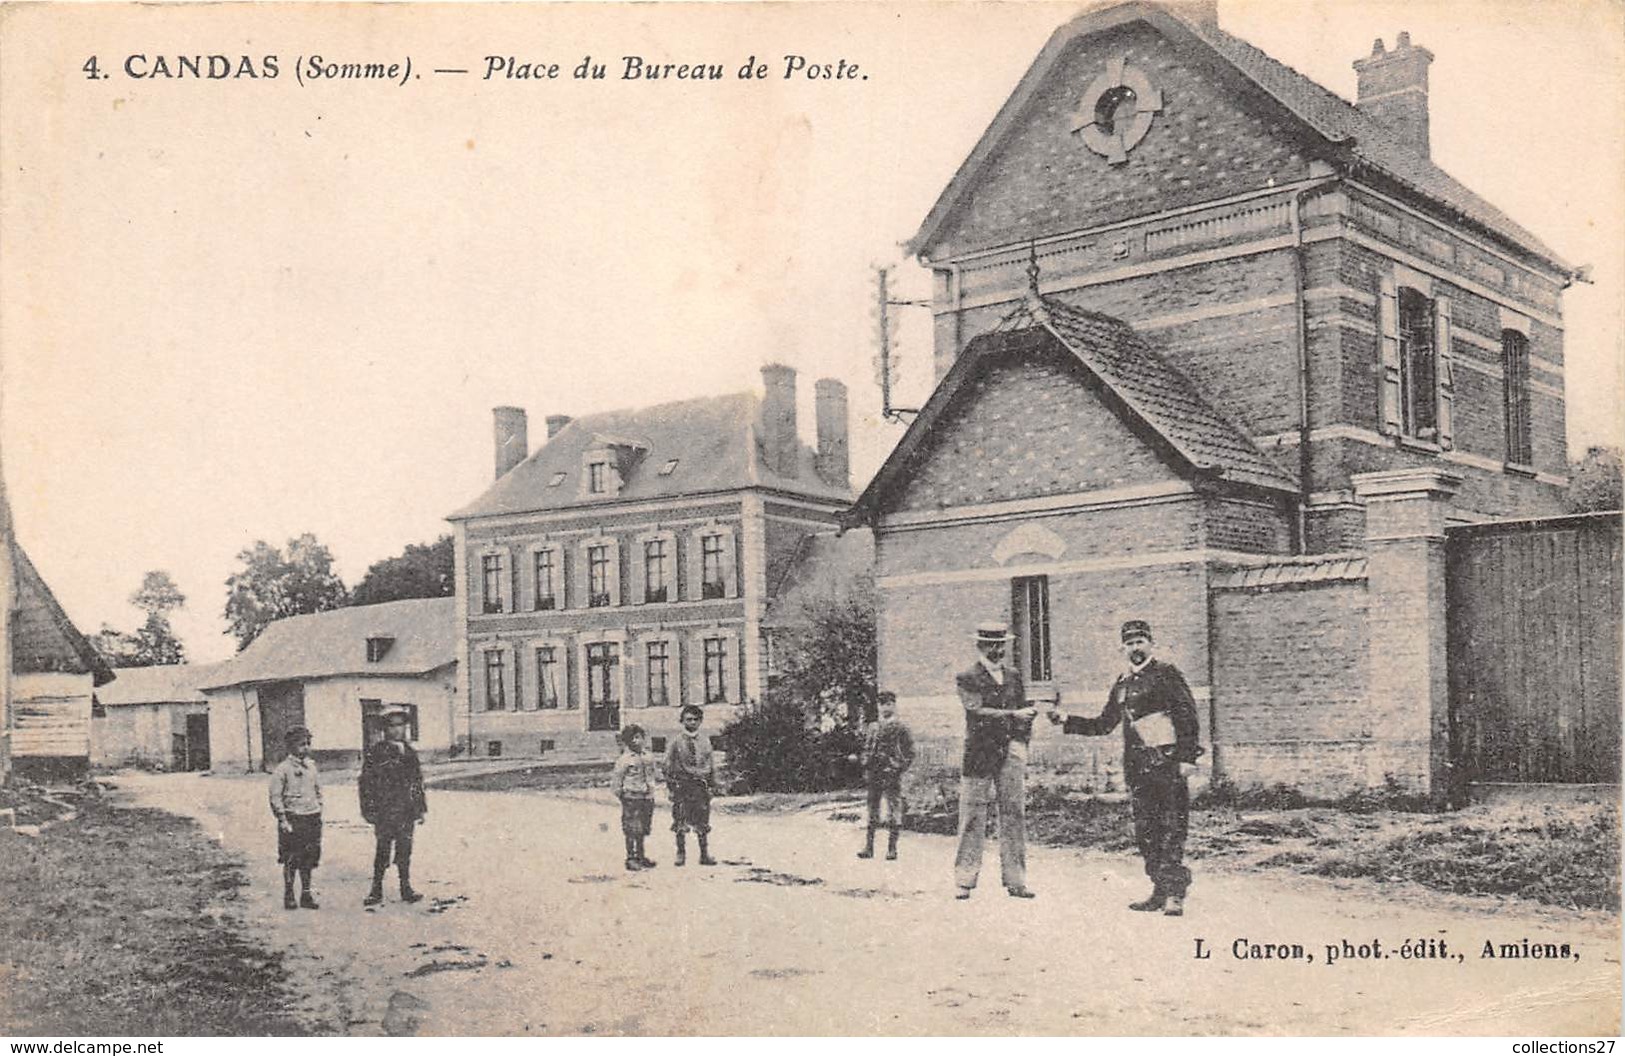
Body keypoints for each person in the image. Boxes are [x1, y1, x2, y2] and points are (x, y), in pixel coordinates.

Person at [1048, 619, 1203, 916]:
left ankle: (1175, 894)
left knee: (1172, 827)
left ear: (1150, 644)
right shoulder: (1122, 684)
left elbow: (1187, 717)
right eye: (1130, 643)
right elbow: (1105, 724)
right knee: (1147, 831)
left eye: (1140, 642)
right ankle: (1159, 889)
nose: (1135, 648)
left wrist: (1187, 758)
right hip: (1138, 768)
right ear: (1123, 648)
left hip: (1168, 765)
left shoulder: (1167, 674)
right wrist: (1067, 720)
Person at [954, 621, 1038, 900]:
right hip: (979, 753)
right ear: (980, 646)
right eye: (991, 645)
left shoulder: (1014, 676)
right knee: (972, 815)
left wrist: (1021, 745)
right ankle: (965, 880)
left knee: (1014, 814)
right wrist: (1013, 716)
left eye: (1001, 645)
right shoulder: (967, 677)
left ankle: (1016, 880)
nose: (997, 650)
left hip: (1010, 753)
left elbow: (1025, 711)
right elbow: (976, 711)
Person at [358, 706, 428, 906]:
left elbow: (417, 782)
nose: (397, 730)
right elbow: (366, 783)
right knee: (382, 850)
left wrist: (420, 808)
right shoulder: (377, 752)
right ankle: (376, 890)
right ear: (385, 729)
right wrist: (368, 809)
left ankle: (406, 888)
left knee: (405, 849)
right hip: (385, 811)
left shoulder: (410, 752)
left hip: (406, 811)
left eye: (401, 725)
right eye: (392, 726)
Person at [855, 691, 915, 861]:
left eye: (888, 703)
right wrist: (865, 762)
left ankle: (892, 849)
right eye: (881, 704)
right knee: (872, 808)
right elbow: (867, 747)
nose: (884, 707)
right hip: (874, 772)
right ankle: (868, 847)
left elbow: (910, 752)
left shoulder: (901, 727)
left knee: (893, 808)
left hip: (891, 773)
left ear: (894, 705)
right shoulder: (873, 727)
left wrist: (898, 767)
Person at [268, 726, 323, 910]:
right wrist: (283, 819)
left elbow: (317, 790)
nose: (305, 748)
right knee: (291, 858)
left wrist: (318, 807)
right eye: (301, 744)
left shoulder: (312, 766)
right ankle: (289, 894)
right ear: (291, 746)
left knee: (309, 858)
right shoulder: (282, 770)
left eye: (308, 744)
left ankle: (306, 894)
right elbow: (275, 796)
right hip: (293, 818)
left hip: (311, 817)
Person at [665, 704, 717, 867]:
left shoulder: (705, 741)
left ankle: (704, 854)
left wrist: (712, 784)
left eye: (695, 719)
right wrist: (671, 786)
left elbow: (710, 763)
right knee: (680, 819)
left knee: (702, 819)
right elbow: (667, 765)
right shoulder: (676, 742)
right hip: (682, 785)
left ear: (700, 721)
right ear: (682, 721)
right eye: (688, 719)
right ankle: (681, 853)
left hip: (700, 786)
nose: (692, 722)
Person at [611, 723, 659, 871]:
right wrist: (624, 796)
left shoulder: (648, 756)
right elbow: (617, 782)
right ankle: (631, 858)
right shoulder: (624, 760)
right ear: (627, 741)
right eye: (633, 738)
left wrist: (651, 792)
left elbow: (652, 775)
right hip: (631, 797)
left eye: (639, 737)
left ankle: (641, 856)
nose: (637, 741)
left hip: (646, 797)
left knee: (644, 827)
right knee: (632, 828)